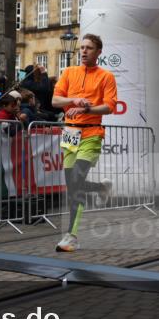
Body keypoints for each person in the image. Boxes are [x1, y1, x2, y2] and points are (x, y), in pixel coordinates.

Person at [51, 34, 118, 253]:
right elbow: (55, 100)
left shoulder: (106, 76)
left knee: (77, 180)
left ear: (98, 52)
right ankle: (101, 187)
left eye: (89, 48)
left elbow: (109, 106)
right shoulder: (69, 72)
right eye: (82, 47)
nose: (84, 51)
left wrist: (86, 108)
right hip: (70, 133)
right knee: (73, 185)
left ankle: (71, 236)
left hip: (91, 133)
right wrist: (73, 100)